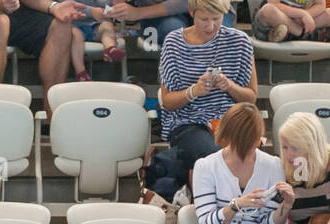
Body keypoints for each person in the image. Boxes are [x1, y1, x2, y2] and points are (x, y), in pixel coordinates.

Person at [158, 0, 256, 169]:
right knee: (216, 157)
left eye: (216, 19)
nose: (210, 26)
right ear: (191, 11)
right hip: (188, 121)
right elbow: (168, 101)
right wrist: (193, 91)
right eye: (204, 19)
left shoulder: (240, 42)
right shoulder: (173, 42)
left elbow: (251, 97)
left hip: (230, 120)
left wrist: (229, 86)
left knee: (244, 158)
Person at [105, 0, 233, 51]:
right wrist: (120, 7)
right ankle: (177, 91)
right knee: (175, 34)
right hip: (156, 16)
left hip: (210, 7)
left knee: (222, 35)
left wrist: (138, 12)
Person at [68, 2, 123, 83]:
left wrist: (111, 9)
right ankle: (81, 73)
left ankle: (110, 48)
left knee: (107, 26)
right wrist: (91, 11)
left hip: (95, 24)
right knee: (76, 36)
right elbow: (63, 6)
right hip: (73, 25)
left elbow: (107, 4)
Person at [252, 0, 330, 44]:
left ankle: (289, 35)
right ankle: (309, 36)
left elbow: (320, 4)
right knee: (268, 10)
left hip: (296, 22)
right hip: (272, 25)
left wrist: (307, 14)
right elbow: (274, 4)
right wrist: (301, 14)